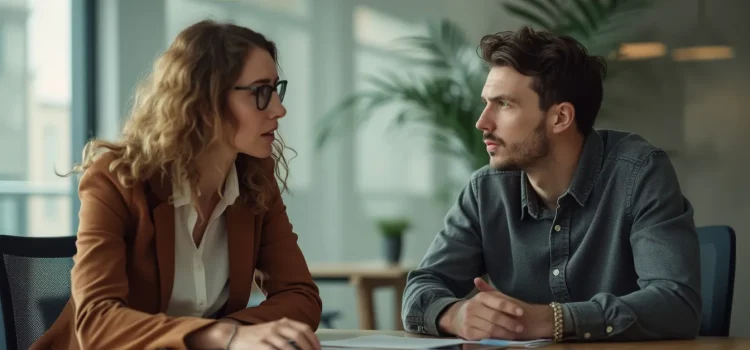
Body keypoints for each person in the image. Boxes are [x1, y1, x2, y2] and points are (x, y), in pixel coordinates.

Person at [32, 20, 323, 350]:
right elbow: (95, 322)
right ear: (204, 100)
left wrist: (231, 331)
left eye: (275, 90)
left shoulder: (254, 182)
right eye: (260, 92)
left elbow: (300, 296)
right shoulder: (115, 179)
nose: (279, 109)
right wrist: (222, 336)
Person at [401, 26, 702, 343]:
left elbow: (677, 304)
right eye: (486, 102)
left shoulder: (639, 173)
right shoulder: (485, 191)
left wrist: (556, 320)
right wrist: (456, 315)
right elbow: (422, 287)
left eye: (504, 104)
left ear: (560, 118)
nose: (482, 122)